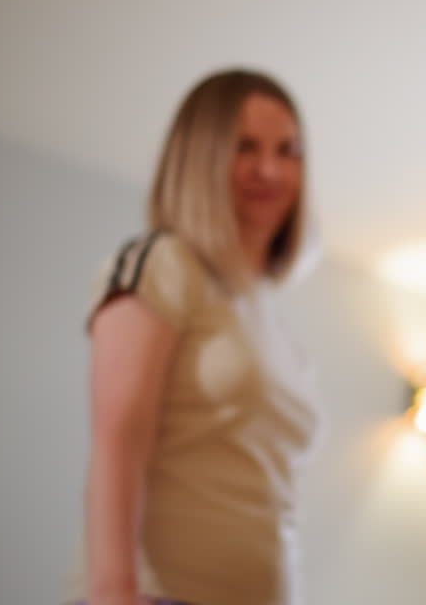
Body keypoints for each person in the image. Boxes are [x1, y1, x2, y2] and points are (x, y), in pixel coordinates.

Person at [66, 70, 320, 605]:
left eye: (287, 150)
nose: (269, 170)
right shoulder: (164, 263)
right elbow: (119, 439)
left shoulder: (268, 317)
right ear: (200, 158)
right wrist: (114, 592)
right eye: (244, 147)